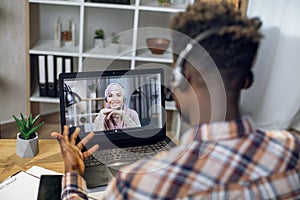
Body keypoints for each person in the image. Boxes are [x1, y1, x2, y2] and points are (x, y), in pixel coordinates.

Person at [51, 1, 300, 199]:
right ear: (247, 80)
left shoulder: (138, 184)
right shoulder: (292, 150)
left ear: (183, 77)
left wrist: (73, 174)